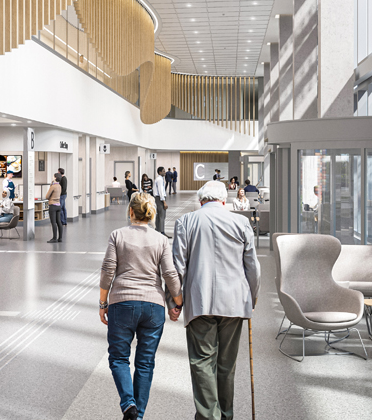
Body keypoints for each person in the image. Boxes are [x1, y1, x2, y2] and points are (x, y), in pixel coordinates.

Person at [172, 180, 261, 420]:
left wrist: (175, 301)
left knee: (202, 361)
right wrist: (251, 296)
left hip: (199, 301)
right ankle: (226, 415)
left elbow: (177, 267)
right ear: (224, 200)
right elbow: (252, 266)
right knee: (226, 363)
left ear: (200, 200)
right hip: (234, 301)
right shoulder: (242, 222)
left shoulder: (186, 222)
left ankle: (208, 416)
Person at [100, 193, 183, 420]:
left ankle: (128, 404)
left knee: (118, 358)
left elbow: (108, 270)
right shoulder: (160, 240)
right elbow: (169, 274)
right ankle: (138, 416)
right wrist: (178, 301)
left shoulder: (117, 235)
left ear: (130, 212)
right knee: (145, 363)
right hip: (153, 307)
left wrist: (102, 303)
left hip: (122, 303)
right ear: (152, 214)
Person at [45, 175, 63, 243]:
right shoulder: (59, 186)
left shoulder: (53, 186)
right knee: (59, 221)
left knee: (53, 222)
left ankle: (54, 238)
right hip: (58, 205)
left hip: (52, 206)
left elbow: (47, 196)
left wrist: (51, 186)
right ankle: (60, 238)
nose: (52, 177)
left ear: (55, 178)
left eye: (53, 176)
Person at [153, 168, 169, 237]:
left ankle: (157, 231)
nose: (165, 172)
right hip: (160, 198)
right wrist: (164, 201)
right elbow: (161, 191)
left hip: (158, 198)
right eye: (163, 171)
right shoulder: (159, 179)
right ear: (160, 172)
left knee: (159, 215)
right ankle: (162, 232)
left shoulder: (158, 179)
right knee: (162, 215)